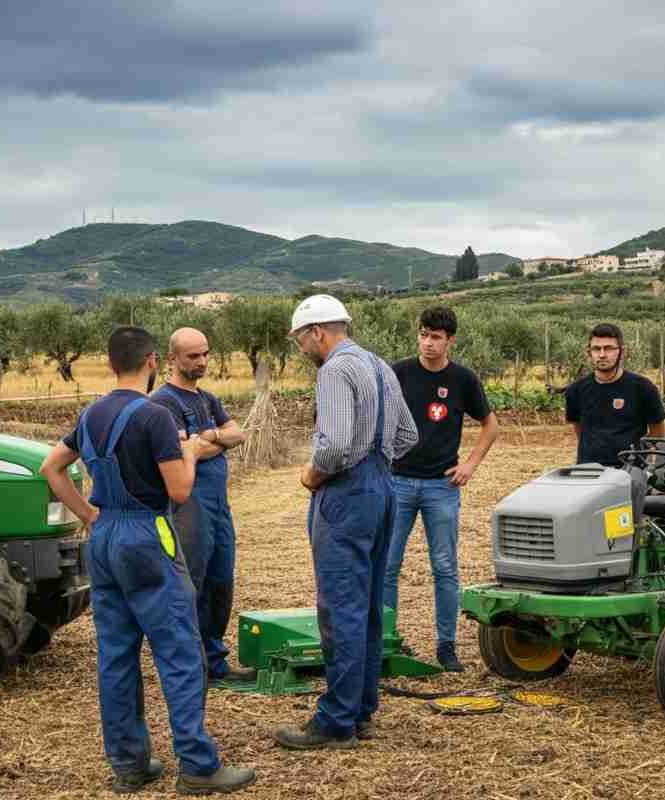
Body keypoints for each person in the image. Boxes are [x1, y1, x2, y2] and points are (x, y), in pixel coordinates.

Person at [40, 327, 255, 794]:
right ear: (154, 361)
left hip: (104, 538)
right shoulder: (155, 415)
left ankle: (129, 765)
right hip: (148, 533)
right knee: (180, 652)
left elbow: (51, 468)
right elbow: (179, 490)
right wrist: (193, 451)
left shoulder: (91, 413)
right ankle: (198, 765)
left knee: (116, 655)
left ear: (111, 363)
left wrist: (88, 515)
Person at [273, 295, 418, 749]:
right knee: (369, 606)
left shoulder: (334, 370)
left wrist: (312, 476)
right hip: (383, 489)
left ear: (317, 332)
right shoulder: (380, 365)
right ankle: (361, 708)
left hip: (346, 492)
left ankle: (336, 721)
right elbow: (408, 435)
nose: (301, 349)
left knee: (340, 609)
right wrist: (377, 459)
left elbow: (333, 446)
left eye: (301, 340)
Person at [384, 307, 498, 672]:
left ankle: (446, 647)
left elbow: (490, 425)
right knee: (387, 565)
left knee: (445, 568)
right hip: (397, 482)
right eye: (423, 334)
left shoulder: (462, 379)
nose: (428, 343)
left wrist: (470, 465)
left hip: (441, 487)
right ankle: (387, 641)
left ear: (450, 340)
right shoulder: (397, 373)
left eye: (436, 337)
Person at [151, 327, 254, 684]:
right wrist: (214, 441)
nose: (202, 361)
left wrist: (207, 438)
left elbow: (238, 434)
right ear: (172, 359)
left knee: (220, 580)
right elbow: (183, 454)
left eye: (205, 354)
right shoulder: (163, 403)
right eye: (193, 356)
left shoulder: (207, 399)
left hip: (218, 506)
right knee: (190, 583)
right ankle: (189, 663)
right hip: (188, 506)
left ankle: (215, 660)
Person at [565, 323, 665, 466]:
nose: (602, 354)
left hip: (629, 473)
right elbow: (580, 430)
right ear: (588, 352)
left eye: (608, 348)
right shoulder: (576, 390)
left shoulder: (643, 388)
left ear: (622, 352)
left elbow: (658, 432)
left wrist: (637, 455)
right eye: (596, 349)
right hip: (588, 471)